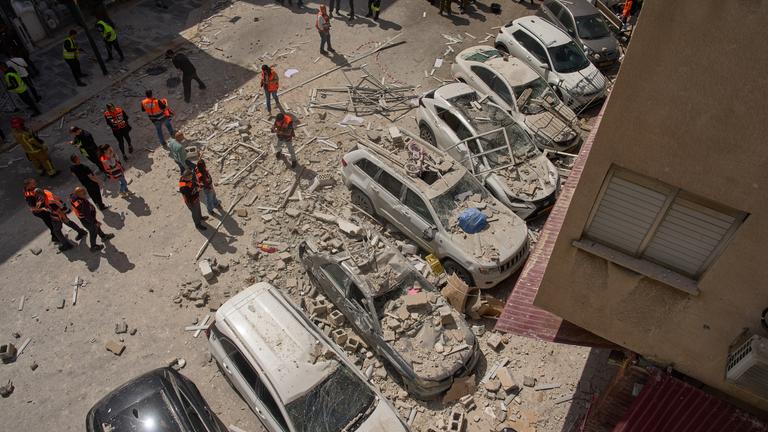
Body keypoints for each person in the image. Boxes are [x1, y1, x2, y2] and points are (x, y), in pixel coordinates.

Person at [70, 186, 115, 252]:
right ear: (78, 194)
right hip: (87, 220)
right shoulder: (82, 204)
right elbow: (87, 216)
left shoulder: (75, 197)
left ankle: (103, 236)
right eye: (83, 193)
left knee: (97, 227)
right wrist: (95, 222)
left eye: (85, 192)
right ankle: (93, 246)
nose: (86, 194)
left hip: (86, 218)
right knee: (93, 231)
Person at [24, 178, 59, 244]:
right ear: (28, 185)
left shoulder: (29, 189)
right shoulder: (29, 195)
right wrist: (43, 209)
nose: (35, 183)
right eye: (33, 183)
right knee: (51, 223)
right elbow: (33, 208)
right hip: (40, 211)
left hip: (42, 208)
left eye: (34, 182)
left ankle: (55, 236)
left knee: (51, 222)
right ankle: (56, 237)